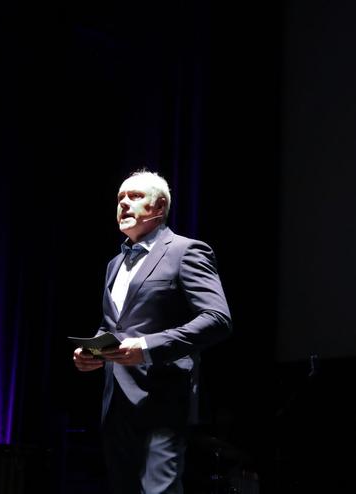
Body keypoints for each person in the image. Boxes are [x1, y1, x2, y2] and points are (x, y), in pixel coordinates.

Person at [73, 170, 232, 494]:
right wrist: (91, 353)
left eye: (134, 197)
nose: (124, 204)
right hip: (116, 405)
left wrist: (147, 347)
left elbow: (217, 318)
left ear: (159, 207)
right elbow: (115, 326)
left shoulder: (186, 251)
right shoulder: (114, 264)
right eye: (120, 199)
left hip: (163, 403)